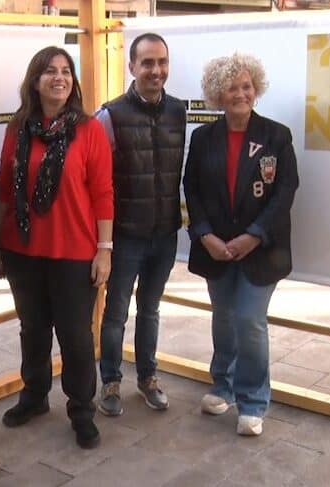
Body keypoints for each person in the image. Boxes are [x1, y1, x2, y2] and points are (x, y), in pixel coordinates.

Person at [0, 46, 114, 449]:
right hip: (22, 249)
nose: (59, 77)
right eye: (50, 71)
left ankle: (81, 410)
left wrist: (105, 249)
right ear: (35, 80)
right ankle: (34, 396)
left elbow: (103, 193)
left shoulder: (89, 130)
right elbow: (4, 190)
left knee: (76, 336)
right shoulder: (17, 128)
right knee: (33, 330)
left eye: (66, 71)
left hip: (74, 253)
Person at [183, 53, 299, 436]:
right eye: (232, 88)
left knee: (249, 320)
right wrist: (205, 235)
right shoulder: (203, 138)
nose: (240, 94)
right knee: (224, 317)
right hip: (216, 248)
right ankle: (224, 385)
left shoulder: (276, 135)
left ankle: (252, 401)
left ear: (256, 88)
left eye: (246, 86)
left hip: (261, 250)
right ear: (218, 94)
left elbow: (286, 190)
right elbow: (192, 188)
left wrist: (255, 235)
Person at [95, 33, 186, 417]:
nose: (156, 70)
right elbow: (98, 182)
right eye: (147, 62)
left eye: (162, 62)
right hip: (125, 236)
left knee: (150, 310)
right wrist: (104, 243)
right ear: (131, 66)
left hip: (164, 234)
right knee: (116, 313)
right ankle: (110, 382)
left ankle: (148, 378)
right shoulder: (109, 115)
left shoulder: (179, 111)